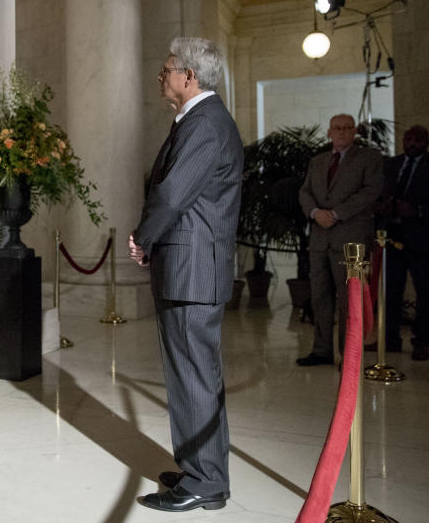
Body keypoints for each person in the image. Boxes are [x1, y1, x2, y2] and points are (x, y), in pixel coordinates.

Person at [129, 37, 242, 513]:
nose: (161, 75)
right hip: (189, 267)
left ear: (189, 77)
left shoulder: (205, 123)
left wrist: (144, 237)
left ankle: (205, 482)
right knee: (191, 374)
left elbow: (173, 194)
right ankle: (201, 466)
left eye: (167, 68)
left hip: (193, 269)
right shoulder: (197, 121)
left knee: (194, 375)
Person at [296, 114, 382, 366]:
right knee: (320, 296)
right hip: (320, 239)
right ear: (329, 132)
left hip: (350, 237)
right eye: (337, 128)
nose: (342, 132)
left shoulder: (369, 158)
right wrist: (315, 213)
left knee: (349, 298)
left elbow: (371, 191)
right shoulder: (318, 161)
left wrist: (336, 213)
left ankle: (349, 355)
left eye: (347, 128)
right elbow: (305, 191)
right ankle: (321, 350)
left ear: (355, 131)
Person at [371, 125, 429, 361]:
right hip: (392, 237)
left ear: (427, 142)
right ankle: (391, 339)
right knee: (391, 291)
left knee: (426, 292)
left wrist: (418, 211)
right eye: (408, 139)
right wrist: (381, 207)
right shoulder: (392, 164)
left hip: (426, 241)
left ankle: (422, 341)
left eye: (417, 140)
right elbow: (378, 194)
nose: (412, 144)